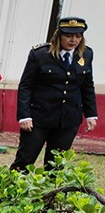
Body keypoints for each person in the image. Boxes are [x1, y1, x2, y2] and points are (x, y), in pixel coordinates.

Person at [11, 16, 98, 171]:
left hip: (68, 119)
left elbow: (87, 86)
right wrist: (24, 115)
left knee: (56, 166)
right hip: (39, 118)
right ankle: (10, 195)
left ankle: (51, 196)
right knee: (24, 161)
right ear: (59, 35)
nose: (73, 40)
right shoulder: (40, 54)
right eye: (69, 36)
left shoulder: (86, 54)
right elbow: (26, 86)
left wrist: (91, 115)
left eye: (78, 36)